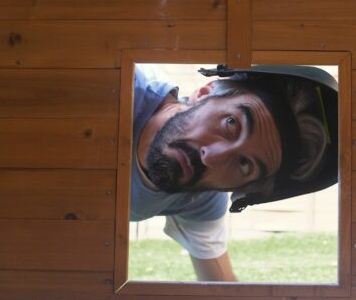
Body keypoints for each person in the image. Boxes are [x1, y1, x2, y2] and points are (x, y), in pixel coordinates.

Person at [130, 64, 339, 282]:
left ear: (240, 188)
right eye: (231, 123)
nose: (210, 157)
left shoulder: (199, 196)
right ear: (204, 93)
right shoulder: (125, 88)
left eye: (244, 164)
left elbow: (220, 288)